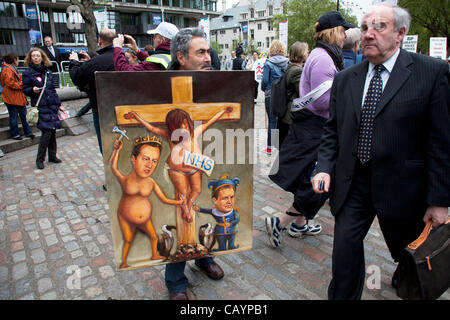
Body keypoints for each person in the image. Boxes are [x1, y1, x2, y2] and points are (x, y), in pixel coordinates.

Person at [311, 3, 450, 300]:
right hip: (353, 186)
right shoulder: (346, 79)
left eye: (379, 27)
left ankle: (407, 281)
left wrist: (439, 201)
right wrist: (324, 166)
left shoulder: (431, 73)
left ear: (400, 33)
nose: (369, 34)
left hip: (405, 189)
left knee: (412, 261)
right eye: (364, 28)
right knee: (344, 255)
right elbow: (332, 131)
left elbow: (441, 143)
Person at [266, 11, 353, 248]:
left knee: (307, 177)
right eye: (343, 30)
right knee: (319, 182)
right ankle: (281, 222)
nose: (345, 34)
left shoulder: (319, 54)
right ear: (334, 31)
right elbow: (323, 102)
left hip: (311, 126)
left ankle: (300, 224)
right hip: (317, 127)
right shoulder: (325, 58)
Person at [165, 27, 226, 300]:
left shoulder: (213, 83)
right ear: (181, 57)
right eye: (200, 52)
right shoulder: (165, 88)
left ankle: (203, 257)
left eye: (208, 51)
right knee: (182, 210)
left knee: (204, 209)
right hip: (180, 165)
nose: (208, 57)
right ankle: (176, 281)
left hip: (209, 158)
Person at [125, 106, 232, 223]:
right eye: (182, 124)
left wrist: (222, 111)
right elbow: (151, 128)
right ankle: (185, 210)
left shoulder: (194, 133)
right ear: (173, 127)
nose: (185, 126)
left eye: (186, 123)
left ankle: (188, 206)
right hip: (177, 170)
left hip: (195, 169)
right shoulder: (169, 136)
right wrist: (136, 116)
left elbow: (211, 121)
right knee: (183, 192)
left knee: (197, 190)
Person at [109, 135, 183, 268]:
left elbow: (164, 199)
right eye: (145, 159)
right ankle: (124, 262)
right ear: (133, 159)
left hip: (145, 219)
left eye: (154, 161)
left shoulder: (151, 182)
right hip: (125, 216)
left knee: (154, 237)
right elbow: (113, 168)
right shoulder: (126, 180)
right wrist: (116, 150)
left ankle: (154, 254)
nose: (150, 165)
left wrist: (179, 202)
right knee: (128, 240)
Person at [69, 29, 116, 154]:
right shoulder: (121, 58)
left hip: (102, 110)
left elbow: (77, 77)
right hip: (120, 107)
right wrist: (90, 61)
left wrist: (73, 61)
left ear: (100, 41)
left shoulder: (97, 62)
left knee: (106, 149)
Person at [22, 48, 64, 170]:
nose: (36, 58)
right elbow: (25, 89)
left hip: (51, 106)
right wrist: (32, 90)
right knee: (46, 132)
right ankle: (40, 159)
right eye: (33, 56)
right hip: (41, 106)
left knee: (52, 131)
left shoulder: (48, 72)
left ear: (42, 57)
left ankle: (52, 156)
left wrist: (58, 104)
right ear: (30, 58)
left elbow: (52, 90)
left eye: (38, 56)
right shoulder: (28, 73)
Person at [193, 175, 241, 251]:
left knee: (231, 243)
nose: (229, 201)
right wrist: (198, 209)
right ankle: (221, 248)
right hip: (220, 231)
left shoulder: (234, 212)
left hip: (232, 230)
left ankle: (232, 246)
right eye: (225, 198)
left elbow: (237, 219)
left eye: (232, 197)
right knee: (222, 246)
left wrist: (231, 224)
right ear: (215, 200)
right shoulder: (215, 211)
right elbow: (206, 211)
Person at [277, 42, 309, 147]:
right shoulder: (297, 71)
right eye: (306, 51)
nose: (308, 52)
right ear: (301, 53)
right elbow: (303, 93)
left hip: (285, 115)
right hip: (290, 117)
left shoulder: (290, 67)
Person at [260, 40, 289, 155]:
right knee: (283, 120)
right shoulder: (287, 63)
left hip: (270, 95)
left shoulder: (268, 63)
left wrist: (264, 89)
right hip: (283, 95)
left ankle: (269, 148)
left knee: (272, 121)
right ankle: (282, 146)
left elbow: (265, 81)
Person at [113, 22, 179, 71]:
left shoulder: (157, 63)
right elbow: (153, 61)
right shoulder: (176, 56)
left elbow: (124, 70)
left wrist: (118, 48)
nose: (153, 39)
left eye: (155, 36)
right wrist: (137, 51)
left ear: (162, 40)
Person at [1, 52, 35, 140]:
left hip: (15, 97)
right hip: (12, 97)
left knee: (22, 115)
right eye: (17, 58)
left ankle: (27, 132)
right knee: (14, 116)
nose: (18, 61)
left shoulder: (9, 68)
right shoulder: (8, 69)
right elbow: (10, 83)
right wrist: (21, 84)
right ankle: (17, 134)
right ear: (14, 59)